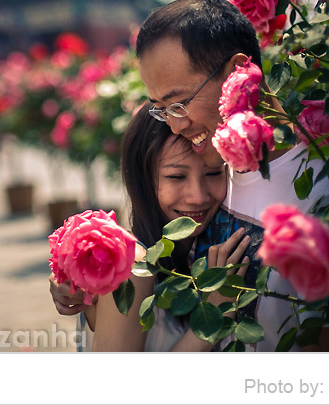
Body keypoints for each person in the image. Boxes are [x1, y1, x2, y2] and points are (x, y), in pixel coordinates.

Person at [53, 0, 329, 351]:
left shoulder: (324, 192)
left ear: (237, 72)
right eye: (161, 109)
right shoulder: (213, 168)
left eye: (180, 103)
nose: (174, 126)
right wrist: (84, 281)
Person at [77, 102, 249, 351]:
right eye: (176, 177)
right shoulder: (134, 266)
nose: (198, 196)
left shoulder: (198, 249)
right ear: (142, 179)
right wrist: (215, 313)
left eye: (213, 173)